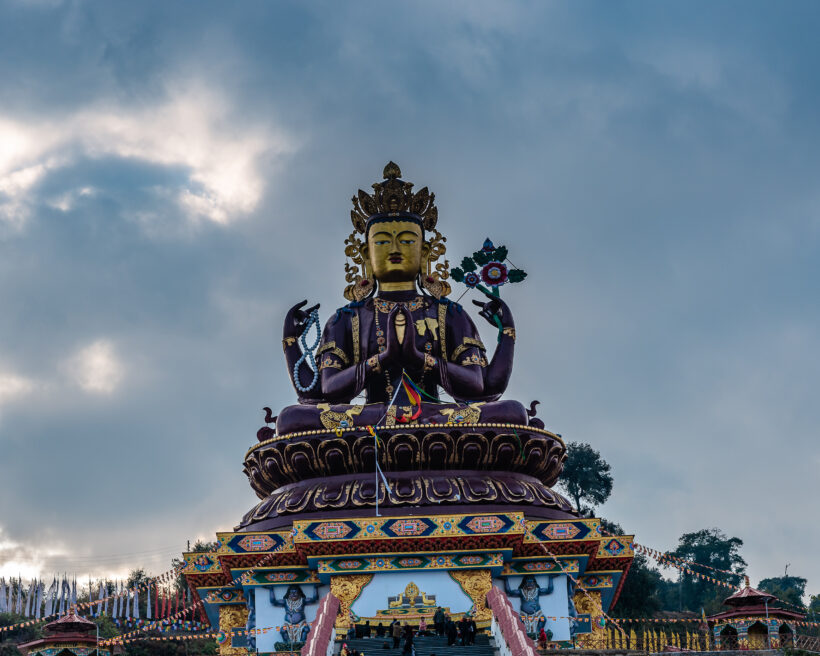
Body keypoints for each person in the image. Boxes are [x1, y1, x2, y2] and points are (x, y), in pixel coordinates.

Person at [277, 163, 525, 436]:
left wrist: (507, 334)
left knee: (510, 414)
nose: (395, 249)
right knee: (292, 419)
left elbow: (482, 387)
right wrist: (293, 344)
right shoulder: (347, 318)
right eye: (382, 242)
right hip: (370, 418)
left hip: (434, 417)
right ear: (366, 255)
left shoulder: (448, 313)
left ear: (425, 252)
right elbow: (323, 392)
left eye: (407, 241)